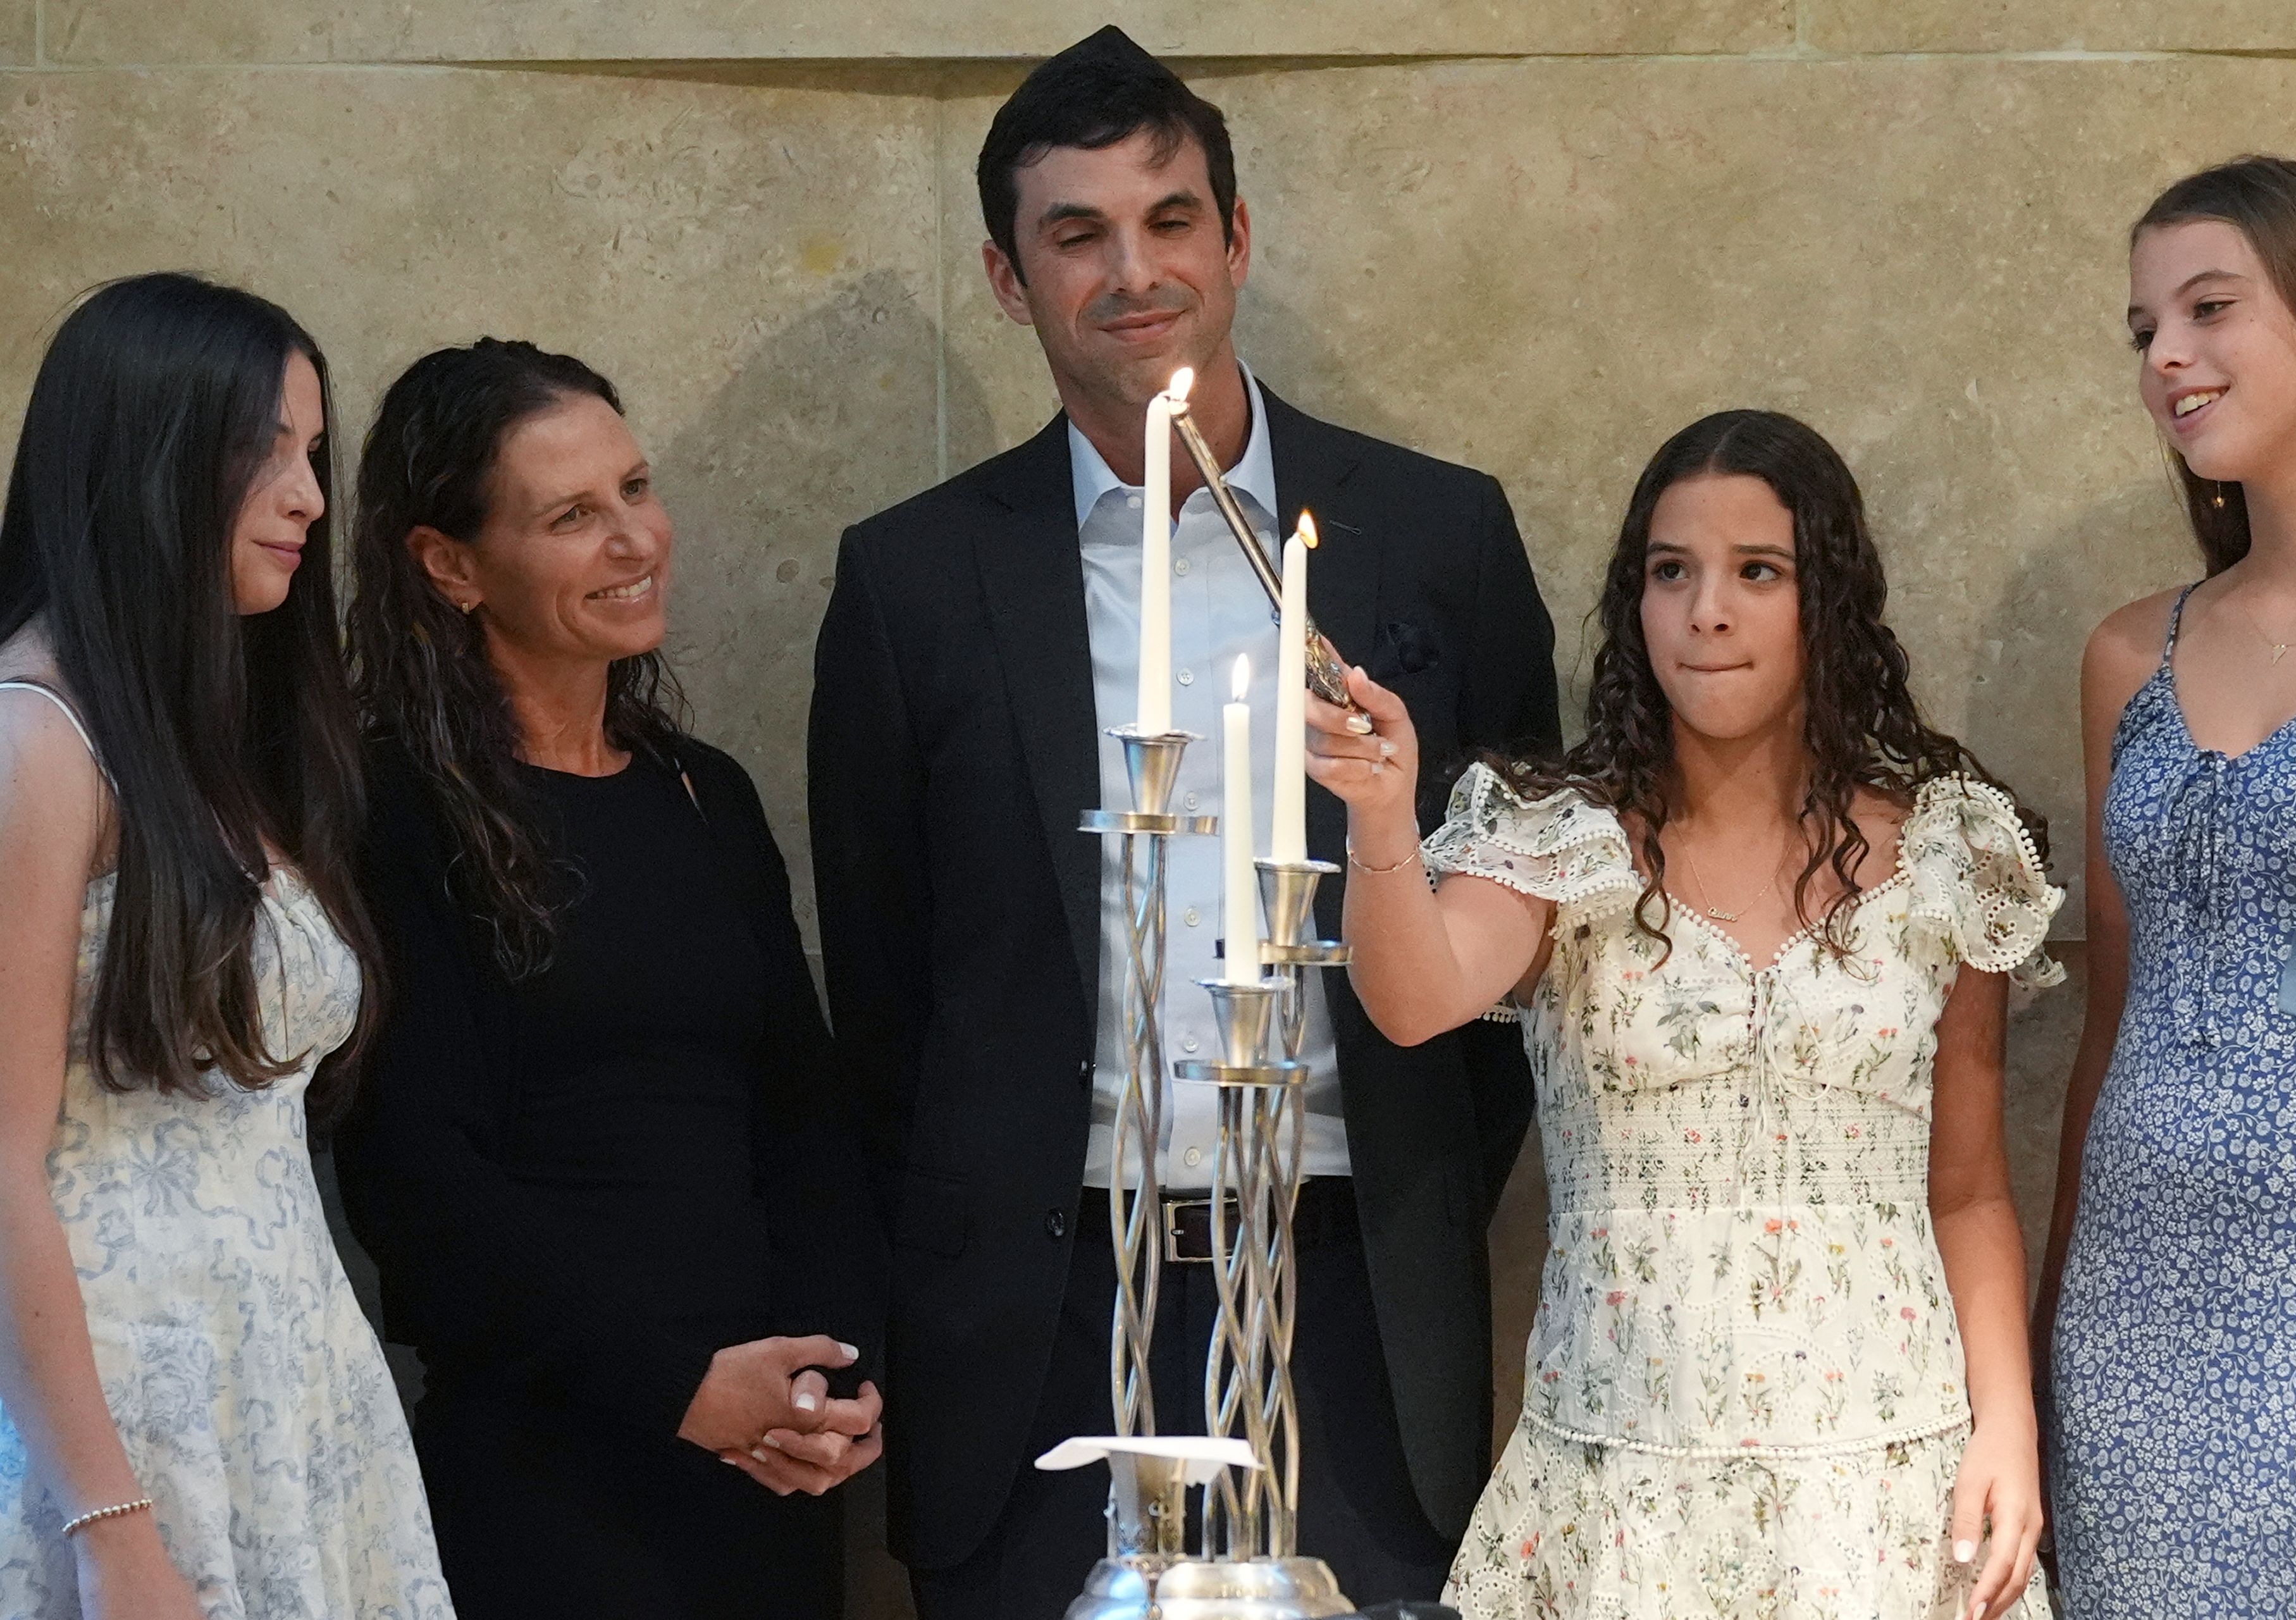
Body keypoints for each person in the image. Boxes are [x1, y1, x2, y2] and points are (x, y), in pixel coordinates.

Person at [809, 26, 1558, 1616]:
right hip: (1038, 1309)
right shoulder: (915, 582)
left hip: (1355, 1292)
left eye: (1167, 221)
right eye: (1074, 236)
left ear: (1235, 239)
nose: (1130, 271)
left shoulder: (1436, 535)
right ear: (1009, 282)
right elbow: (883, 991)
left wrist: (1401, 1194)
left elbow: (1516, 950)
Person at [1316, 408, 2056, 1619]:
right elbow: (1412, 1002)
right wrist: (1383, 818)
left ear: (1829, 597)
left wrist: (2008, 1428)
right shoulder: (1559, 839)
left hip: (1886, 1491)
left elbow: (1969, 1186)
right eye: (1672, 572)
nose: (1706, 609)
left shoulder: (1949, 847)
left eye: (1757, 571)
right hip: (1619, 1495)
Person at [335, 338, 882, 1617]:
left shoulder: (705, 794)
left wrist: (833, 1380)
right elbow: (418, 1183)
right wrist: (682, 1389)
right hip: (547, 1472)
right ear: (449, 566)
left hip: (768, 1463)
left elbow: (803, 1120)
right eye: (574, 516)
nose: (636, 539)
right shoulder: (387, 813)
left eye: (636, 489)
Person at [0, 273, 450, 1617]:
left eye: (314, 452)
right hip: (125, 1416)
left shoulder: (204, 744)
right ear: (150, 456)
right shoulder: (35, 740)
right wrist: (112, 1526)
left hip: (286, 1380)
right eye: (268, 449)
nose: (311, 494)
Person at [2037, 156, 2296, 1619]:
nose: (2168, 361)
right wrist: (2051, 1313)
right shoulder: (2132, 653)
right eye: (2145, 331)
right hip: (2131, 1336)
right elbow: (2114, 1012)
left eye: (2209, 309)